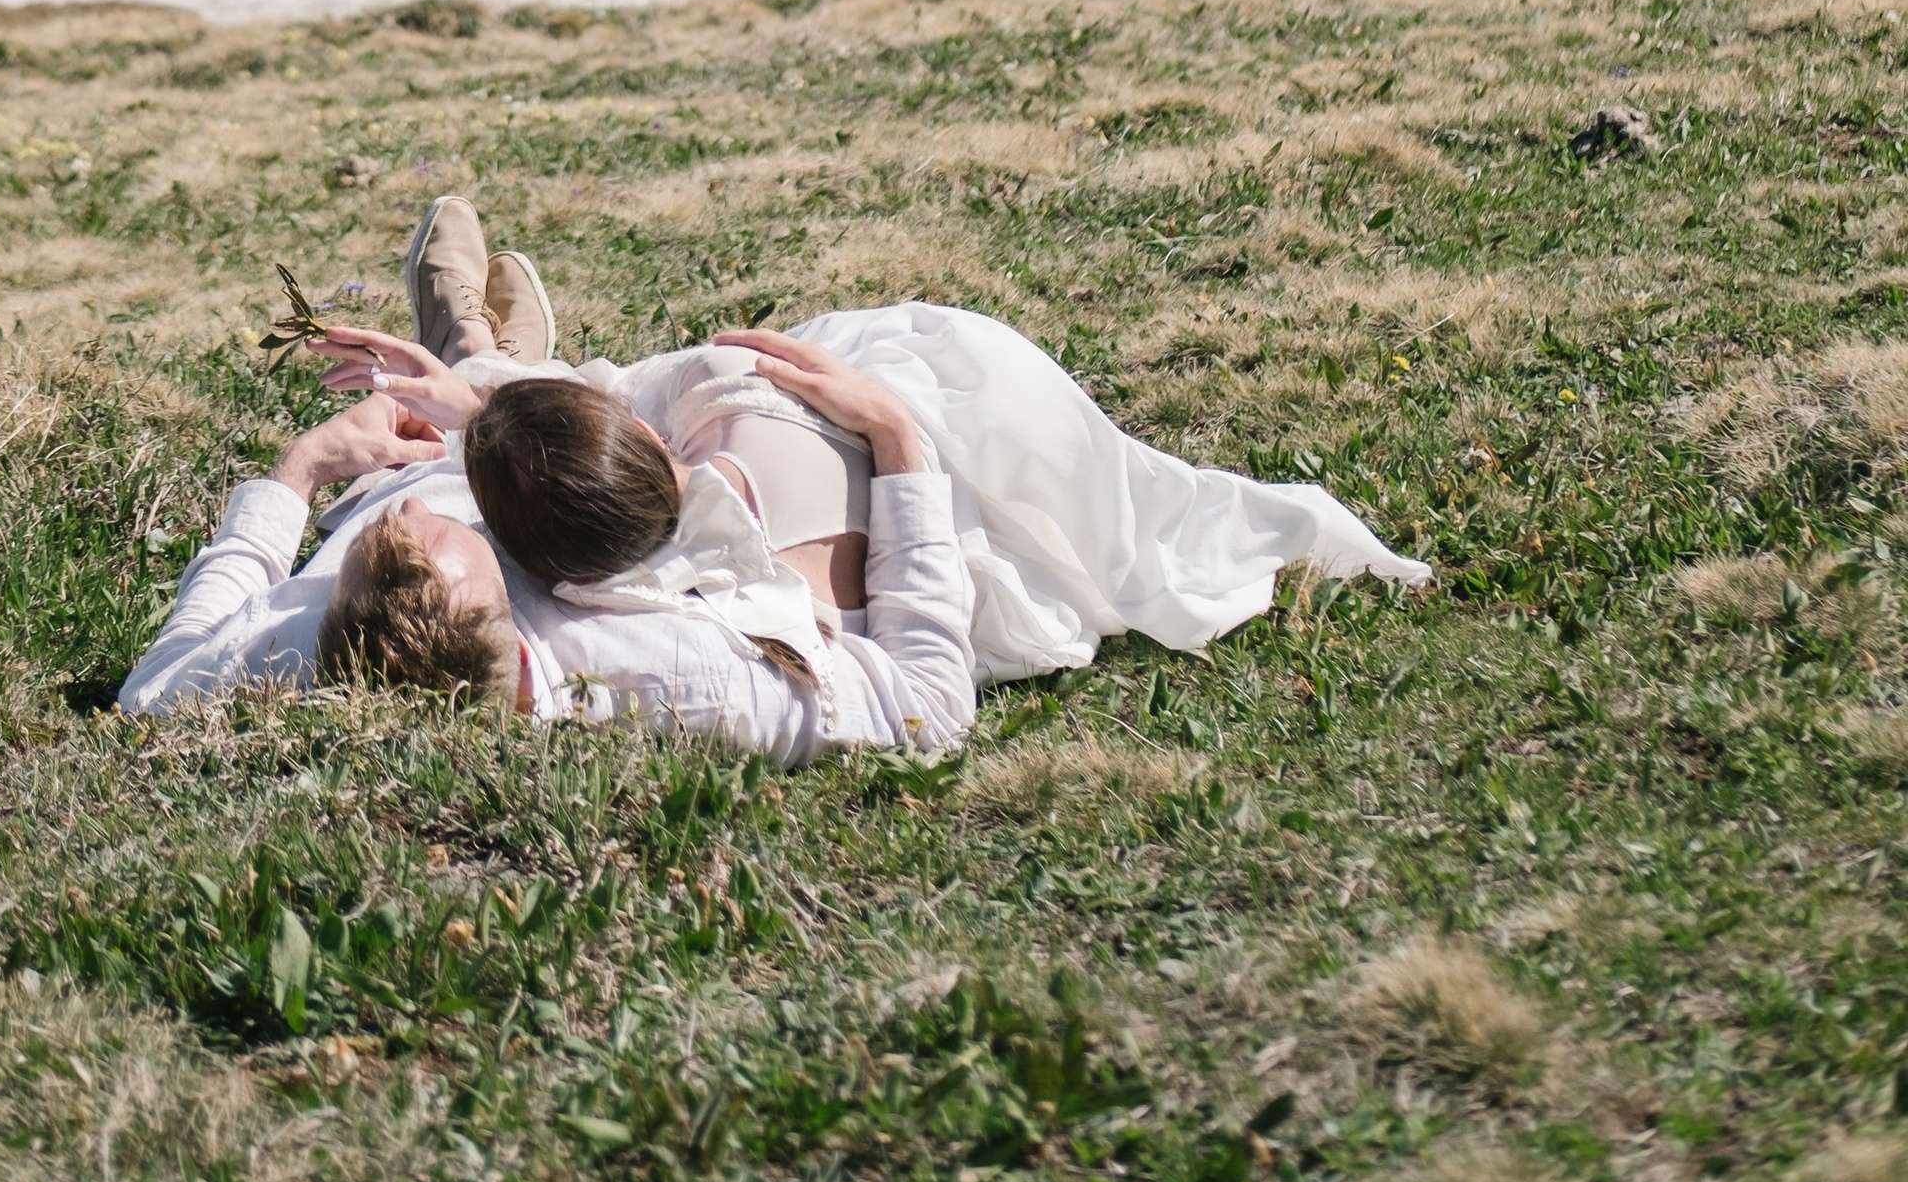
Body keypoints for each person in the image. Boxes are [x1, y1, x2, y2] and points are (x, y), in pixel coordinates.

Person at [116, 199, 979, 762]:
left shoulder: (290, 654)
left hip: (412, 467)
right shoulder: (671, 675)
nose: (422, 508)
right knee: (713, 402)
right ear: (539, 598)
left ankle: (480, 354)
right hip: (569, 492)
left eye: (401, 528)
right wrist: (900, 437)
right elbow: (930, 708)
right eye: (450, 530)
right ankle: (498, 359)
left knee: (427, 458)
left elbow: (148, 686)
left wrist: (301, 469)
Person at [317, 283, 1430, 683]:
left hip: (889, 423)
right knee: (740, 367)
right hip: (952, 399)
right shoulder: (723, 435)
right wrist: (896, 432)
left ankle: (481, 339)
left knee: (705, 376)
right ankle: (483, 341)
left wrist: (475, 405)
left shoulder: (631, 597)